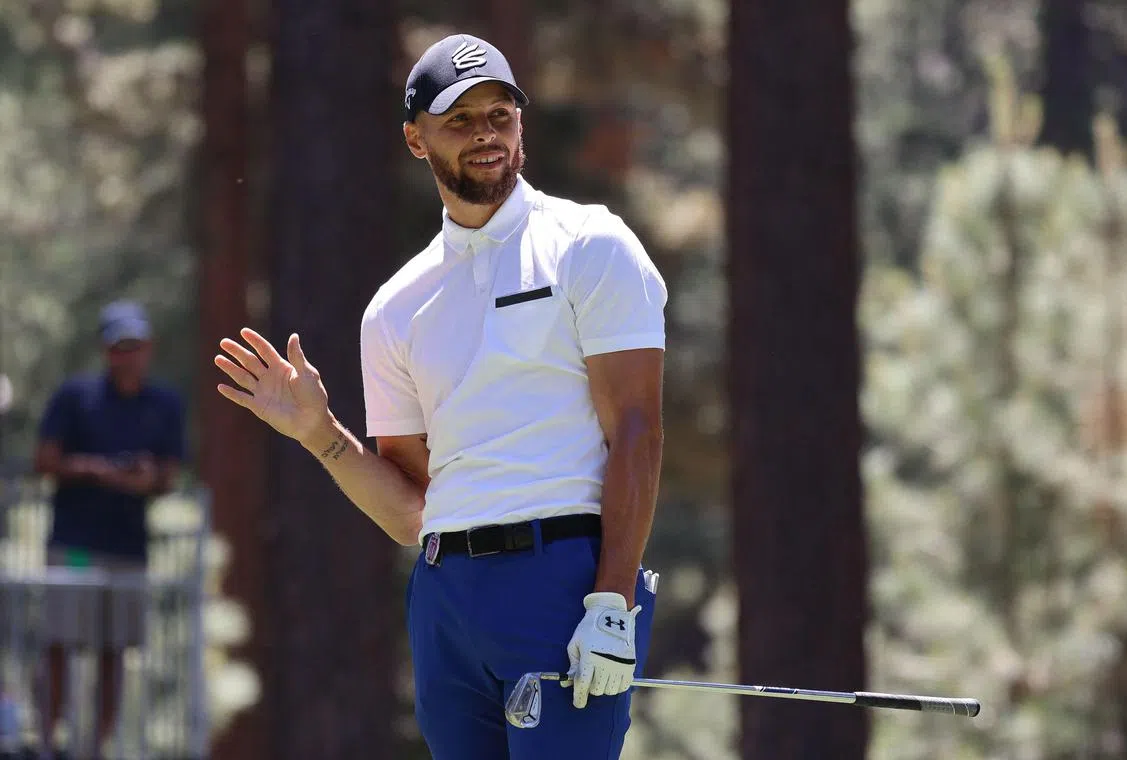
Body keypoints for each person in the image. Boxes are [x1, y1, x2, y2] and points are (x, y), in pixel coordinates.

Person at [215, 33, 666, 759]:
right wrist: (319, 432)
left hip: (562, 582)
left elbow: (638, 431)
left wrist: (611, 602)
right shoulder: (395, 308)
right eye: (460, 120)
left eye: (500, 115)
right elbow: (410, 513)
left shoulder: (590, 245)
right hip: (444, 600)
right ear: (415, 139)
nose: (486, 134)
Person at [33, 300, 185, 759]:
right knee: (60, 642)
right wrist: (96, 471)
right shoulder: (74, 396)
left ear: (149, 348)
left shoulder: (165, 404)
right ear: (106, 350)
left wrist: (145, 479)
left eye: (135, 345)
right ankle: (46, 743)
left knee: (114, 651)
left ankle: (97, 748)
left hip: (128, 549)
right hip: (74, 548)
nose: (129, 354)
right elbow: (45, 460)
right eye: (120, 346)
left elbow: (169, 476)